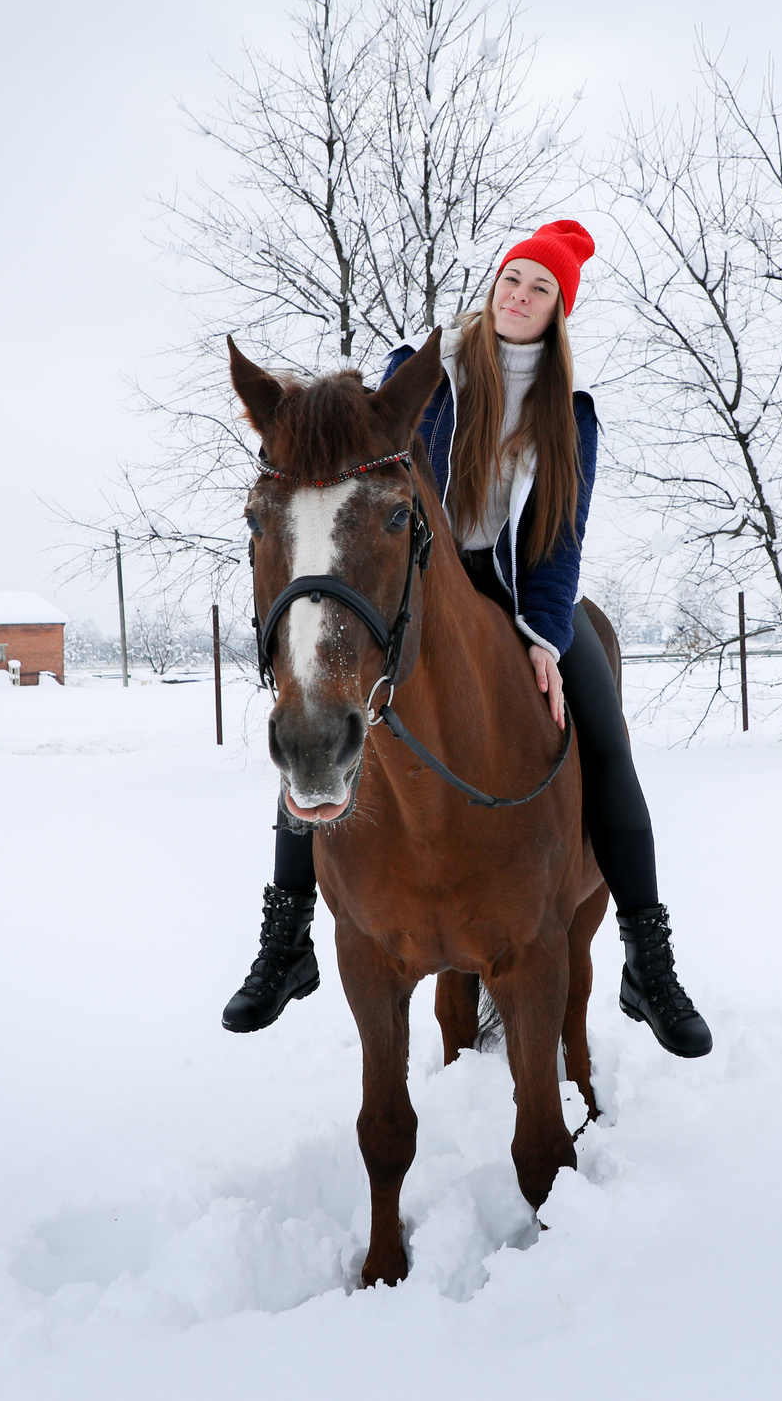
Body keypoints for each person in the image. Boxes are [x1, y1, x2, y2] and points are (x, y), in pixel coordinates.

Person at [222, 220, 712, 1057]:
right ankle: (286, 936)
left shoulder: (571, 418)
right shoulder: (428, 373)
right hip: (414, 584)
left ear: (559, 313)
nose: (518, 296)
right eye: (512, 279)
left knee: (607, 739)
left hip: (521, 597)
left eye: (540, 289)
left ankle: (647, 953)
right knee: (324, 711)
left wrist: (548, 641)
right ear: (494, 286)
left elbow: (561, 545)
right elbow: (360, 465)